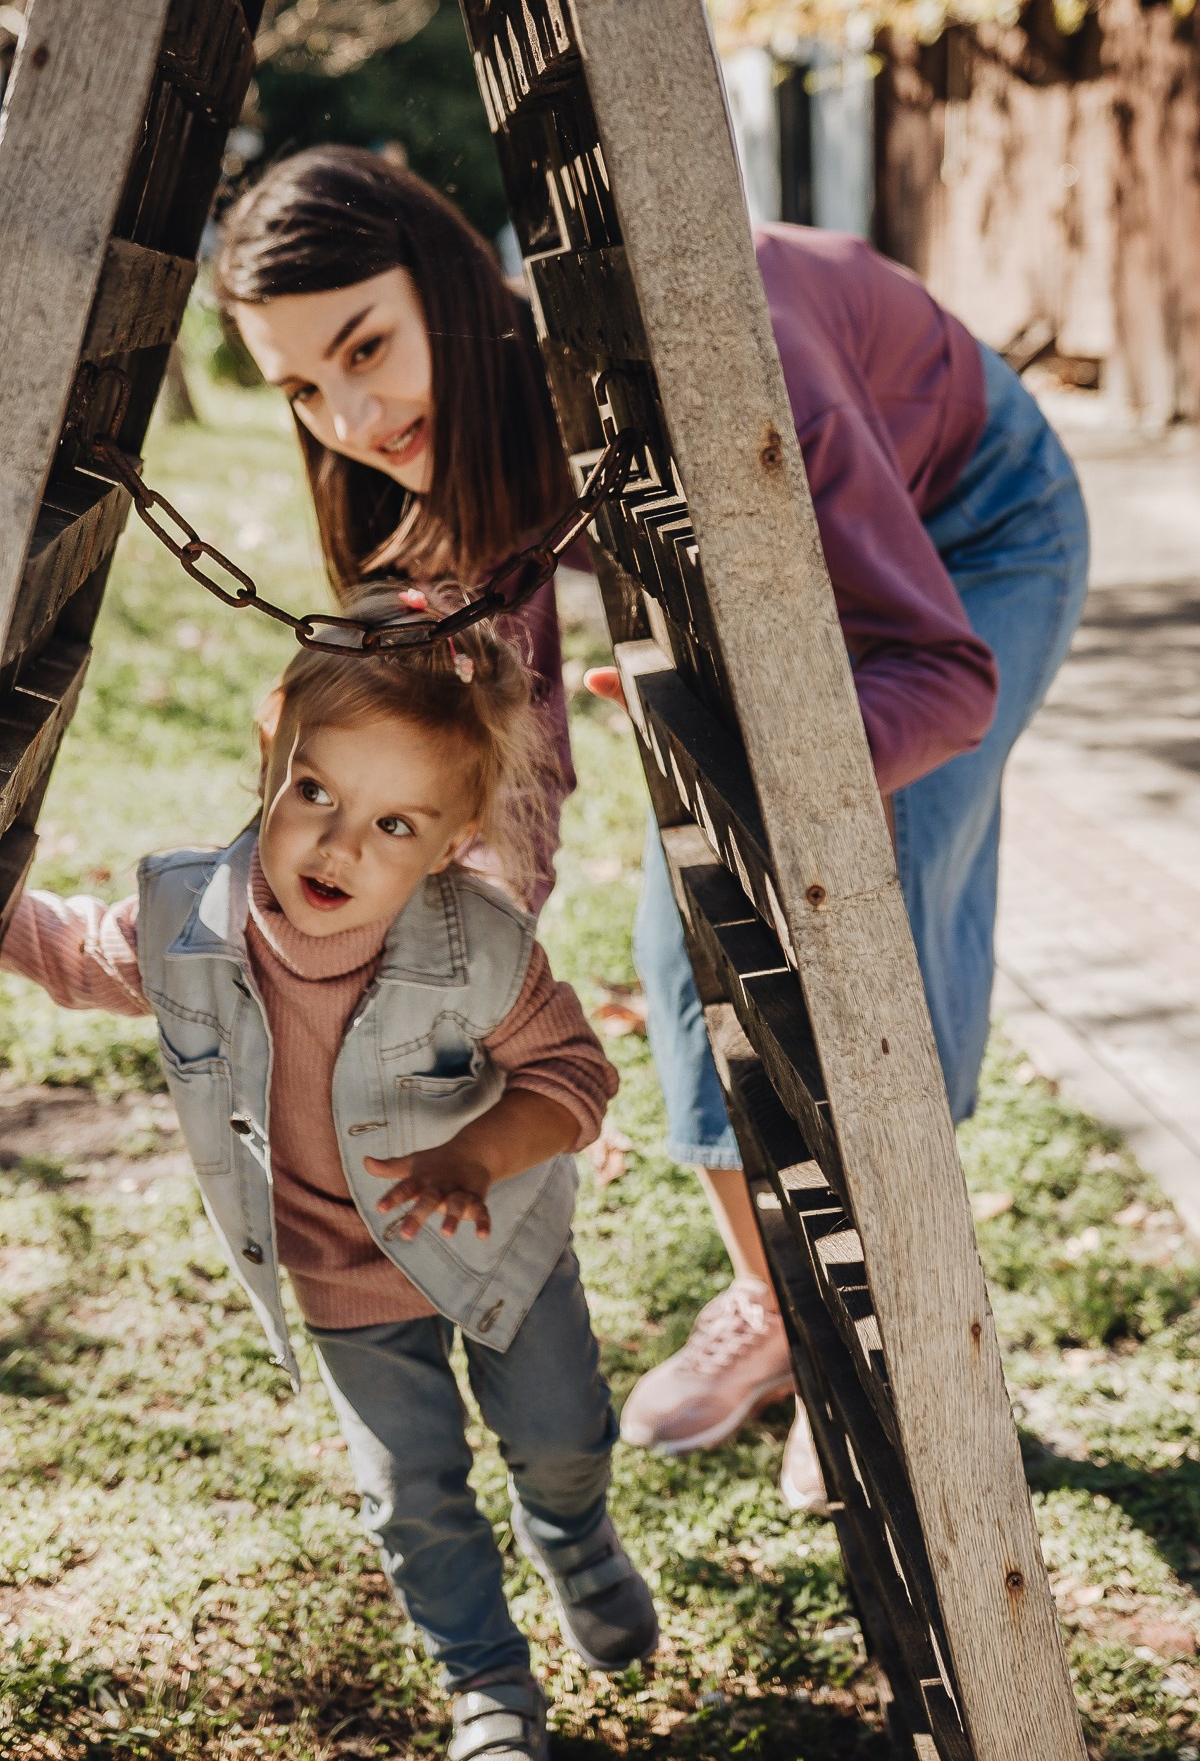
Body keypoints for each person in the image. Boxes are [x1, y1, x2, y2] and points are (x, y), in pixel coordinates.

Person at [213, 146, 1089, 1510]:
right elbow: (523, 762)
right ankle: (782, 1313)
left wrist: (755, 764)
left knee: (871, 899)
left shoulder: (718, 370)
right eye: (302, 388)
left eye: (367, 345)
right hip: (774, 557)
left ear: (447, 287)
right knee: (686, 923)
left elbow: (941, 673)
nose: (350, 411)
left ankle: (895, 1351)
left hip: (967, 526)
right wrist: (463, 944)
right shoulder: (451, 443)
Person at [1, 586, 658, 1761]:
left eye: (397, 826)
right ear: (272, 750)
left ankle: (575, 1535)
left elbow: (573, 1075)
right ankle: (490, 1687)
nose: (342, 845)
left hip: (496, 1245)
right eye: (317, 793)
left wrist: (478, 1151)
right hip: (342, 1280)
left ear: (455, 840)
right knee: (411, 1495)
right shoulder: (189, 920)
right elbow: (67, 951)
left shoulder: (482, 944)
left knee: (559, 1434)